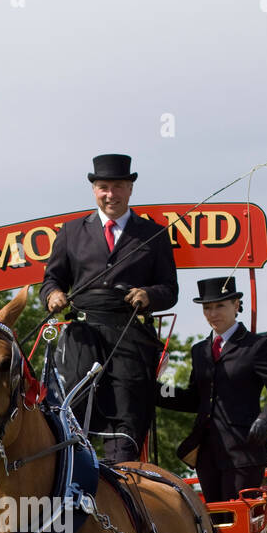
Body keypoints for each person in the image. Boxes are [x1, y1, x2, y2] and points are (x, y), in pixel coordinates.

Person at [40, 153, 178, 464]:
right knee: (74, 403)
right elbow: (51, 280)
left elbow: (170, 290)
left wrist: (149, 295)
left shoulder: (153, 234)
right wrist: (53, 295)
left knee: (128, 408)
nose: (110, 194)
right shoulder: (71, 232)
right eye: (103, 187)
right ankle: (75, 473)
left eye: (117, 187)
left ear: (130, 189)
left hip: (128, 334)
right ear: (94, 190)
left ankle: (123, 481)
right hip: (83, 334)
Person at [159, 276, 267, 502]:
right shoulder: (199, 350)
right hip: (207, 453)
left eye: (220, 306)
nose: (213, 314)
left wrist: (266, 421)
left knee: (237, 523)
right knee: (213, 524)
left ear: (236, 305)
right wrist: (157, 390)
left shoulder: (257, 346)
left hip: (245, 451)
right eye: (207, 308)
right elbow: (195, 399)